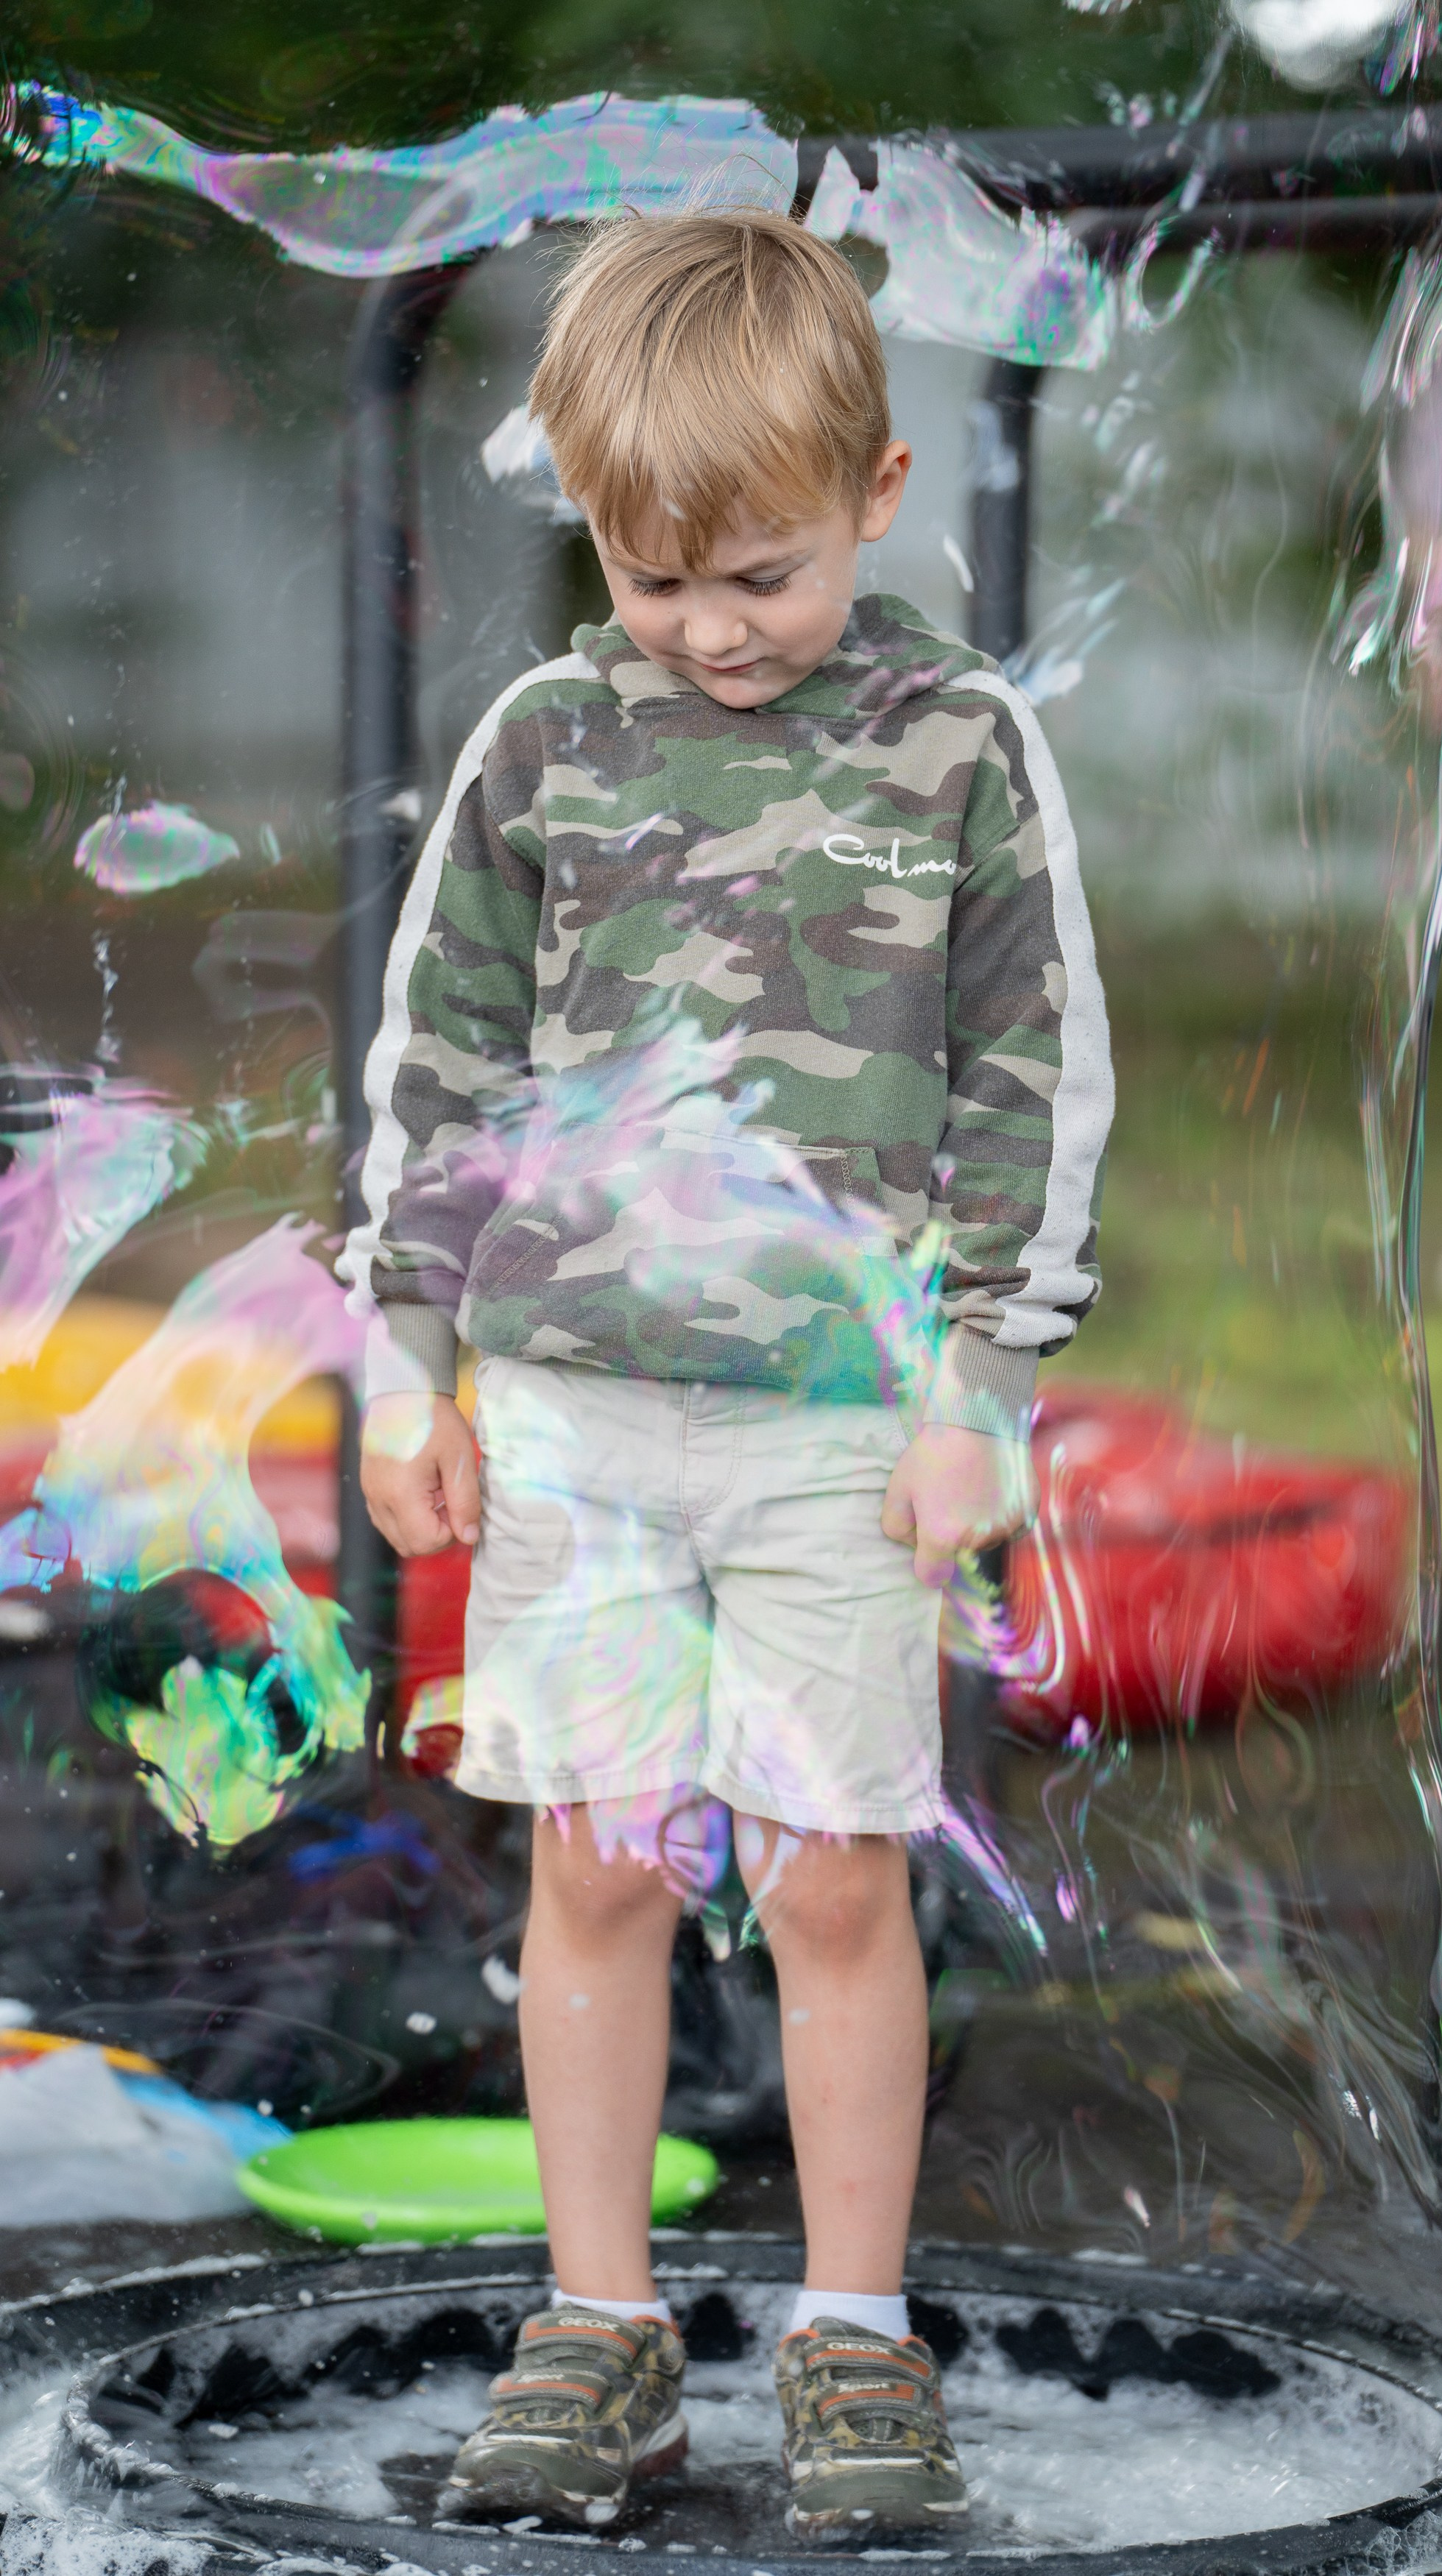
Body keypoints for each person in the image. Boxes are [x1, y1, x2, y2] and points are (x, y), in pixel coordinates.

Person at [344, 210, 1112, 2538]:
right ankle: (599, 2330)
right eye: (650, 572)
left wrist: (979, 1378)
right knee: (587, 1862)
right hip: (576, 1420)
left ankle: (852, 2336)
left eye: (757, 571)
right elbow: (442, 1065)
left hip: (834, 1431)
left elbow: (1030, 1072)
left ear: (876, 493)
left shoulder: (956, 743)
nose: (702, 625)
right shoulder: (545, 742)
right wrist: (411, 1364)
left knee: (829, 1882)